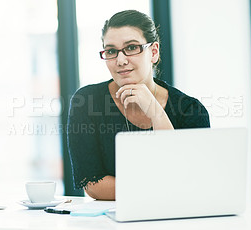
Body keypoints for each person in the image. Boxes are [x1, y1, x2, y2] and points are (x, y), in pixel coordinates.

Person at [67, 10, 210, 200]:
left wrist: (155, 111)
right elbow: (92, 183)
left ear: (153, 52)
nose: (121, 60)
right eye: (111, 51)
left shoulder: (191, 110)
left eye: (132, 47)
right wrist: (163, 187)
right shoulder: (86, 101)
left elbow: (189, 178)